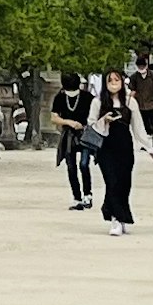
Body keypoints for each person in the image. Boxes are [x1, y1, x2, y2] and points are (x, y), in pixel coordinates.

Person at [95, 69, 146, 235]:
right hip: (106, 148)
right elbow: (91, 125)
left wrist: (149, 146)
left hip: (124, 147)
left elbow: (138, 127)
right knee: (112, 181)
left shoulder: (130, 102)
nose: (114, 84)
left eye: (117, 80)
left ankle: (121, 215)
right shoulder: (98, 102)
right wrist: (104, 121)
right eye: (110, 81)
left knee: (124, 183)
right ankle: (115, 218)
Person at [54, 72, 97, 208]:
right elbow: (54, 117)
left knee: (84, 164)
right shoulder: (60, 98)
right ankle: (77, 197)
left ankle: (87, 194)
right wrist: (70, 122)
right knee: (71, 166)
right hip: (68, 134)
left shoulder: (87, 97)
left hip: (84, 134)